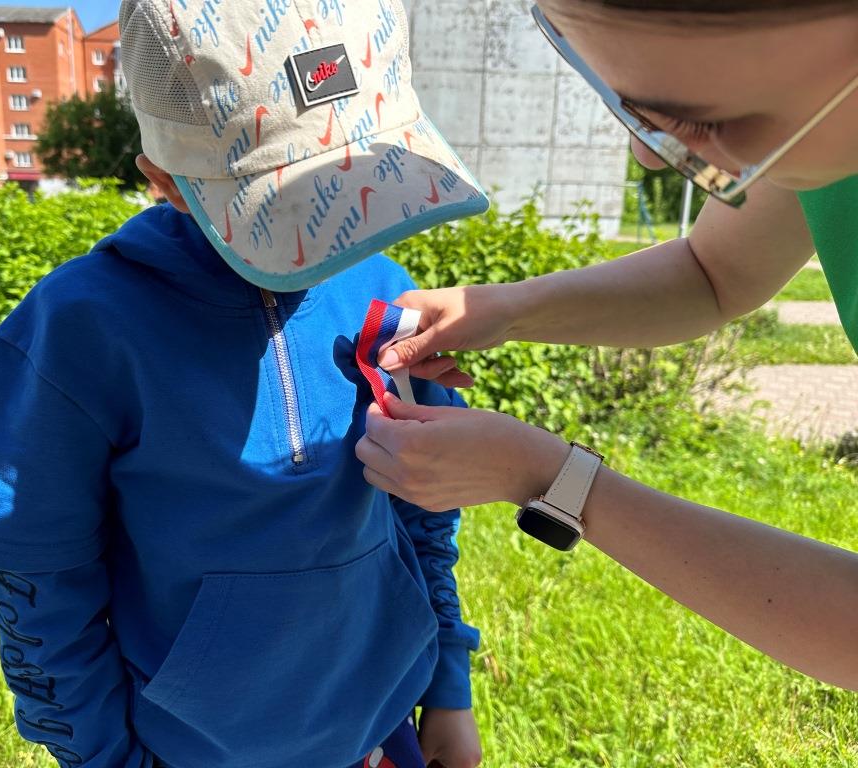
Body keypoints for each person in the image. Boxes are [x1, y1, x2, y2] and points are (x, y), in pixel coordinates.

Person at [0, 0, 491, 765]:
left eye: (353, 182)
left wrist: (448, 685)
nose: (328, 231)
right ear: (162, 179)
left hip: (380, 731)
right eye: (284, 204)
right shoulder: (80, 331)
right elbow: (40, 582)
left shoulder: (385, 292)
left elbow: (427, 510)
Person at [356, 0, 858, 693]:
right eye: (631, 110)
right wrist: (504, 309)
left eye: (700, 122)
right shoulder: (821, 105)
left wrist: (551, 478)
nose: (647, 156)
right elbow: (715, 273)